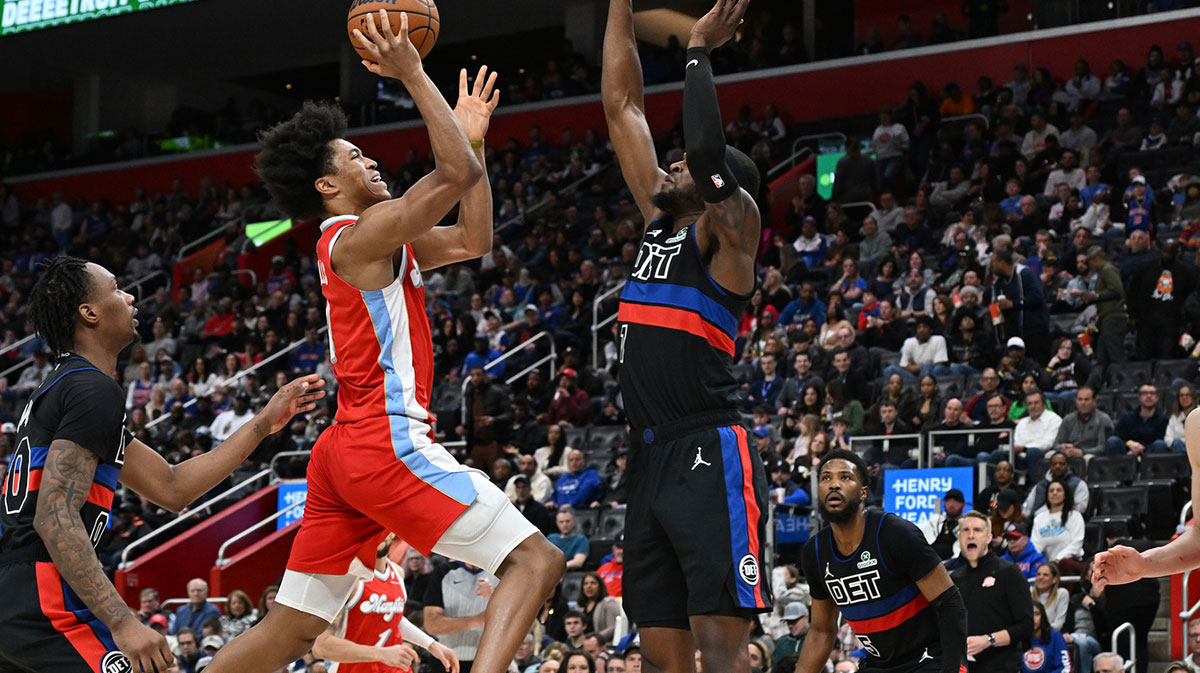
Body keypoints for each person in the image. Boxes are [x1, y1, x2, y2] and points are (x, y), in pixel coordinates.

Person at [206, 25, 563, 673]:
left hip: (344, 449)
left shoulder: (375, 237)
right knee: (538, 559)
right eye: (353, 157)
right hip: (384, 442)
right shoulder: (359, 236)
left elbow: (474, 237)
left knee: (288, 632)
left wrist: (475, 137)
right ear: (325, 184)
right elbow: (453, 172)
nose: (370, 161)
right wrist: (414, 77)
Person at [0, 257, 325, 673]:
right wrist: (122, 620)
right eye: (117, 288)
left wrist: (262, 424)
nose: (130, 296)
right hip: (43, 593)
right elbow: (55, 514)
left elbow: (172, 487)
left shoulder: (67, 388)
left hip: (18, 593)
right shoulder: (91, 389)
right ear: (89, 312)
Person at [603, 1, 772, 670]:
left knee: (720, 649)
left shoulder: (730, 237)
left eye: (685, 167)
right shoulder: (658, 222)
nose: (670, 164)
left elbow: (703, 150)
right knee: (659, 656)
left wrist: (698, 49)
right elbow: (622, 108)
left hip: (708, 445)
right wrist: (618, 5)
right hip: (647, 458)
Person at [795, 450, 967, 673]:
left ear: (863, 492)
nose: (834, 484)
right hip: (879, 664)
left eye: (845, 477)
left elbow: (950, 603)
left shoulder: (894, 532)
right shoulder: (815, 552)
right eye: (826, 478)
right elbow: (821, 632)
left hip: (927, 658)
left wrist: (954, 668)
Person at [311, 535, 458, 673]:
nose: (379, 534)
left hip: (394, 668)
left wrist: (430, 644)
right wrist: (381, 653)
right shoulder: (346, 576)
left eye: (383, 527)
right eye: (373, 527)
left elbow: (394, 618)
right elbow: (321, 646)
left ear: (392, 532)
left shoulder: (398, 572)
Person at [952, 511, 1035, 673]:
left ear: (989, 538)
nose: (970, 535)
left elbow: (1025, 626)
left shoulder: (1008, 572)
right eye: (965, 530)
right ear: (959, 538)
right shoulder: (955, 578)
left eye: (977, 530)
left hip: (1001, 666)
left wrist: (988, 640)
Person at [423, 560, 497, 672]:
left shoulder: (502, 573)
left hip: (490, 661)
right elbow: (431, 625)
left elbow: (516, 620)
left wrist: (494, 597)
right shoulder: (443, 572)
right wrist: (476, 620)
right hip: (446, 662)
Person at [1105, 385, 1169, 455]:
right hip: (1127, 454)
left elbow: (1164, 442)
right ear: (1139, 398)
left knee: (1159, 444)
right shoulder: (1127, 417)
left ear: (1157, 398)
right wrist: (1129, 443)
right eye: (1144, 393)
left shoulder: (1164, 419)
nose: (1148, 396)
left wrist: (1140, 449)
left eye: (1152, 393)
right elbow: (1118, 436)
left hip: (1151, 456)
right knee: (1113, 441)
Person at [1023, 452, 1090, 517]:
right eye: (1054, 464)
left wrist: (1055, 515)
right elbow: (1027, 506)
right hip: (1038, 522)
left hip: (1067, 521)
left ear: (1068, 466)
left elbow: (1080, 509)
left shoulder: (1079, 484)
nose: (1057, 466)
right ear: (1050, 466)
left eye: (1061, 464)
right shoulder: (1040, 485)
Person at [1053, 387, 1113, 458]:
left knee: (1087, 458)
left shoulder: (1103, 419)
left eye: (1086, 400)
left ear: (1094, 402)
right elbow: (1056, 444)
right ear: (1076, 401)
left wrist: (1082, 452)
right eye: (1080, 399)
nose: (1083, 403)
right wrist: (1063, 448)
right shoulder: (1068, 419)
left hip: (1091, 454)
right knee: (1050, 455)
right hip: (1069, 452)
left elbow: (1101, 448)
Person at [1021, 602, 1069, 673]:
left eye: (1037, 614)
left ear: (1043, 616)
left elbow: (1065, 668)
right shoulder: (1019, 639)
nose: (1033, 618)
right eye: (1029, 615)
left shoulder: (1055, 636)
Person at [917, 489, 965, 559]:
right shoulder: (935, 522)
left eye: (956, 501)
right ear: (944, 503)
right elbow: (915, 531)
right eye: (948, 501)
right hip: (929, 563)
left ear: (963, 505)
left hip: (953, 565)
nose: (952, 504)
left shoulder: (966, 526)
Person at [1031, 563, 1070, 631]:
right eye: (1038, 574)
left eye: (1045, 575)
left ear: (1054, 579)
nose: (1040, 577)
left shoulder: (1062, 593)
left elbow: (1058, 624)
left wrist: (1040, 631)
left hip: (1050, 635)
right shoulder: (1029, 592)